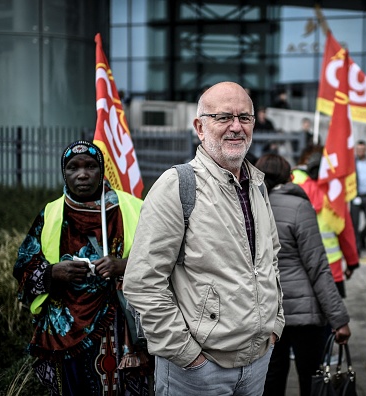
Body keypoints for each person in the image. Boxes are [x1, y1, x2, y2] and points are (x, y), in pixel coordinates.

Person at [123, 81, 284, 396]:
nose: (236, 127)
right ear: (200, 127)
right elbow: (142, 283)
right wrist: (188, 355)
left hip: (257, 362)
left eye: (245, 118)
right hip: (198, 371)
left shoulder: (258, 186)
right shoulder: (177, 185)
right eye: (223, 117)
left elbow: (271, 259)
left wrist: (275, 326)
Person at [13, 140, 151, 396]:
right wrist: (53, 272)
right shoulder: (51, 213)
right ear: (63, 173)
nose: (82, 174)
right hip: (61, 331)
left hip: (120, 324)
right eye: (72, 168)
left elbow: (165, 260)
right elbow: (23, 266)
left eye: (90, 166)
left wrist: (121, 266)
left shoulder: (132, 208)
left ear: (102, 171)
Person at [255, 154, 351, 396]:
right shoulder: (299, 207)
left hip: (266, 310)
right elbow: (317, 266)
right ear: (289, 177)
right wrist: (339, 319)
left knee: (271, 376)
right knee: (312, 376)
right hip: (305, 314)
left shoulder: (249, 207)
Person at [292, 145, 359, 298]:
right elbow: (345, 230)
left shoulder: (292, 184)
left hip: (300, 267)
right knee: (332, 317)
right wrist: (352, 262)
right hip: (331, 268)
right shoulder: (335, 193)